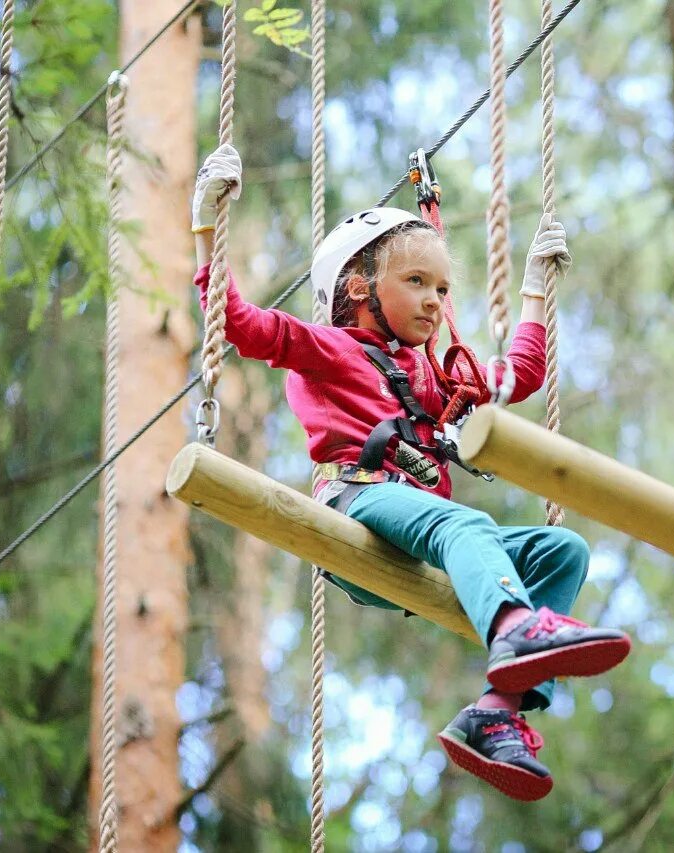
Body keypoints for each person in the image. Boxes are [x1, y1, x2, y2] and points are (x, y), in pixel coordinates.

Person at [190, 144, 631, 802]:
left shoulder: (429, 373)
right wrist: (207, 226)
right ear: (361, 287)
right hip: (358, 504)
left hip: (424, 532)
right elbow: (244, 328)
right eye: (418, 283)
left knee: (562, 551)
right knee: (467, 524)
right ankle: (515, 627)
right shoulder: (331, 347)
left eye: (443, 288)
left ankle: (497, 709)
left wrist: (535, 286)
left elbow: (517, 376)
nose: (435, 301)